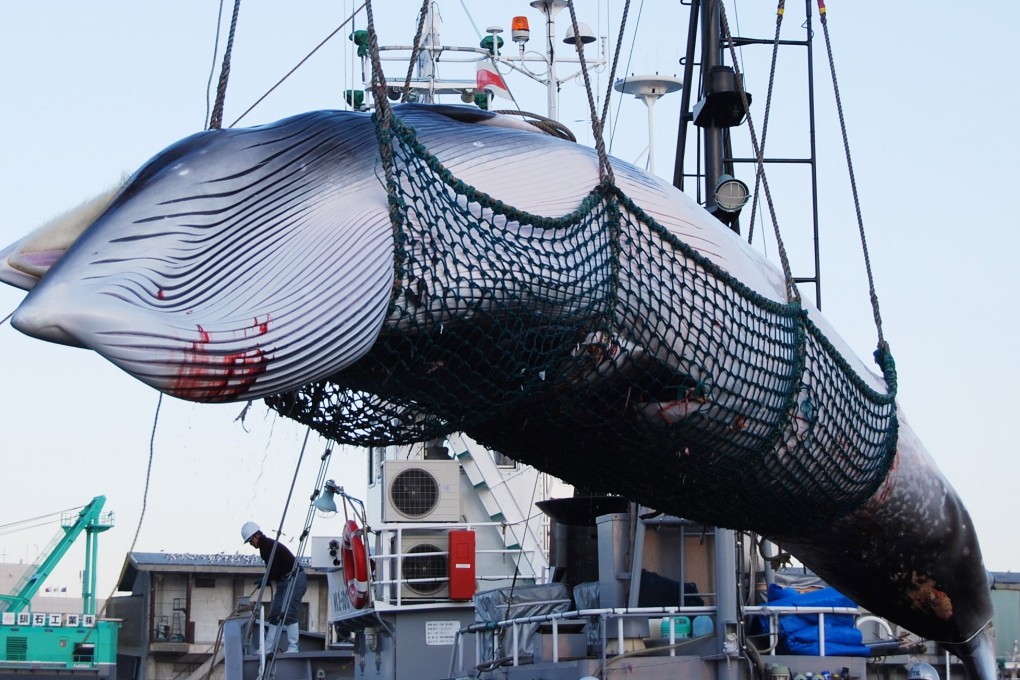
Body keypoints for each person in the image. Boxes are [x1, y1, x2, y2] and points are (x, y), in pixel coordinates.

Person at [241, 521, 307, 653]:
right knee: (275, 614)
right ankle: (268, 647)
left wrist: (265, 579)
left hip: (295, 578)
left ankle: (293, 648)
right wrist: (267, 578)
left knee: (289, 613)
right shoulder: (266, 547)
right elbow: (274, 570)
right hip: (284, 581)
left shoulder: (268, 547)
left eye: (250, 540)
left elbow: (274, 570)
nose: (251, 543)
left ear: (256, 536)